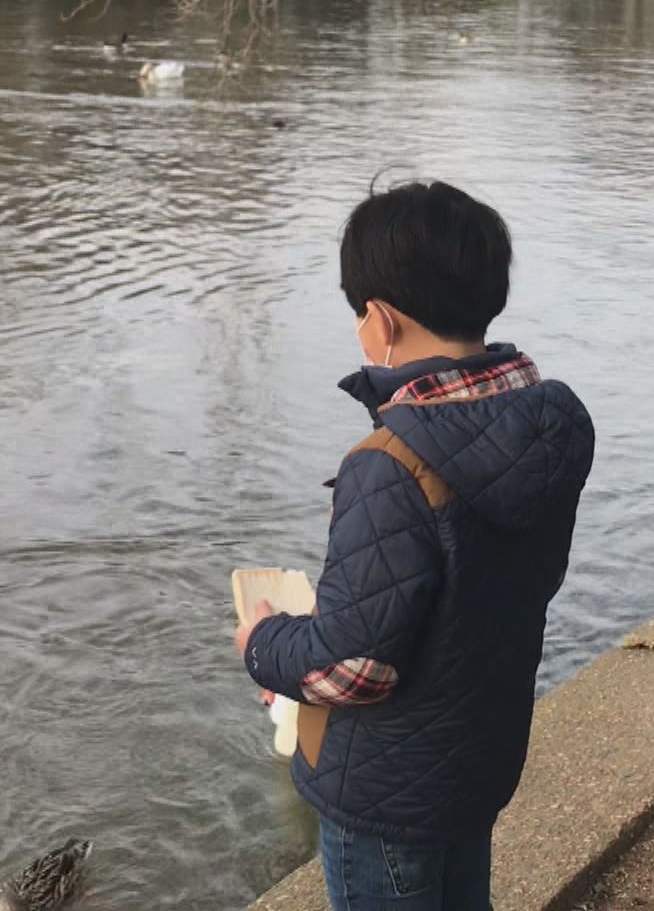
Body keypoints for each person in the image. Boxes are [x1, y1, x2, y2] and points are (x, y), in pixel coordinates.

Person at [236, 180, 596, 911]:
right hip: (476, 763)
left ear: (379, 320)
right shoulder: (548, 429)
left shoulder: (390, 461)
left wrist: (262, 640)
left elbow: (354, 666)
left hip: (386, 794)